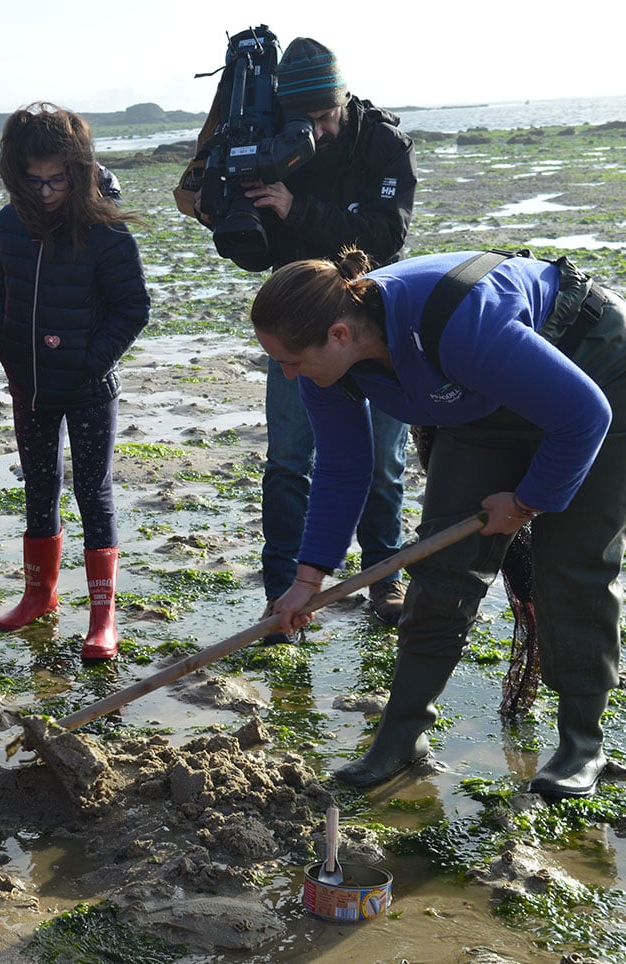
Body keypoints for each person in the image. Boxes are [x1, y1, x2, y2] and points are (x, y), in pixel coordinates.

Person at [250, 247, 626, 799]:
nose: (285, 372)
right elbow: (345, 469)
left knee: (572, 566)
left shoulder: (460, 323)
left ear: (340, 335)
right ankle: (399, 740)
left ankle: (581, 744)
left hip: (600, 376)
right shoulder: (328, 371)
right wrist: (307, 581)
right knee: (441, 572)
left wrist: (528, 500)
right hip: (482, 402)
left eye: (291, 361)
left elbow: (585, 414)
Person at [196, 36, 418, 640]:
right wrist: (232, 209)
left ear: (344, 97)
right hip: (297, 320)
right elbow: (254, 249)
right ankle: (280, 591)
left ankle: (385, 576)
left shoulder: (383, 144)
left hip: (369, 317)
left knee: (380, 463)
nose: (316, 129)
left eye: (326, 115)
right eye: (306, 118)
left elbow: (384, 237)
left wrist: (296, 207)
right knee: (290, 460)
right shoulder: (275, 139)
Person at [0, 102, 150, 660]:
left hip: (88, 389)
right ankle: (40, 596)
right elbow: (0, 296)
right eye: (34, 180)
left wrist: (89, 360)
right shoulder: (9, 223)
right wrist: (6, 349)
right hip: (30, 387)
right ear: (17, 173)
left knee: (93, 493)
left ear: (77, 170)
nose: (47, 190)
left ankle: (102, 616)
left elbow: (134, 308)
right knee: (38, 487)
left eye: (57, 179)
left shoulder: (104, 231)